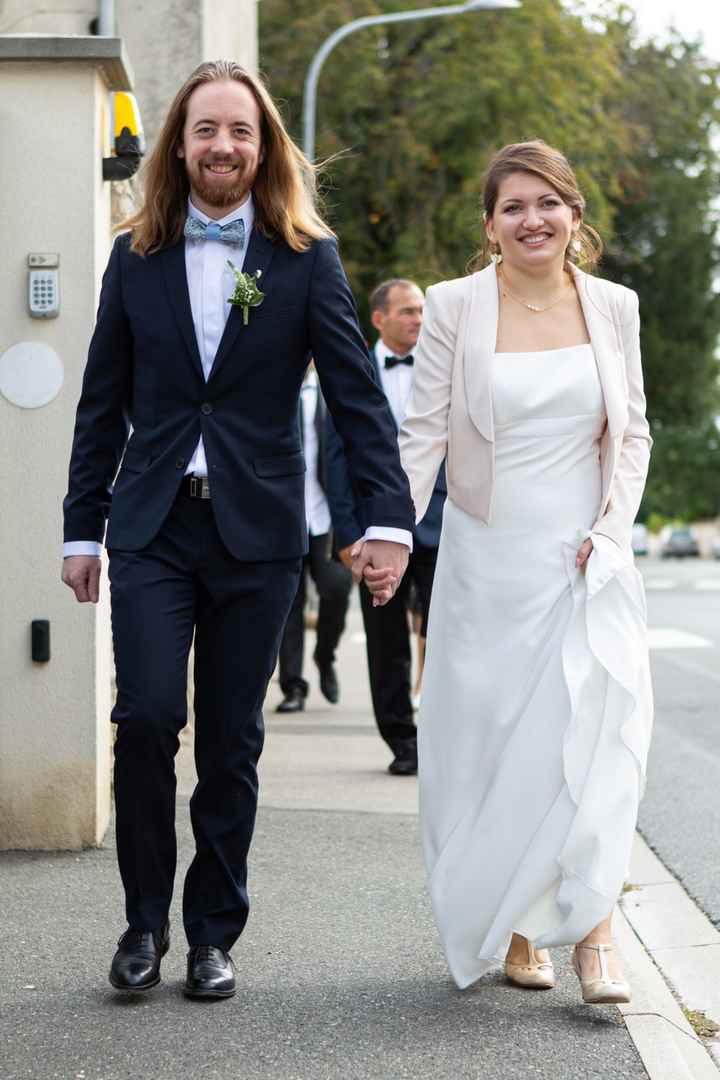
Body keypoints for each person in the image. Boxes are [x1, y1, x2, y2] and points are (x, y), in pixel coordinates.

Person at [61, 60, 413, 1001]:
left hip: (259, 534)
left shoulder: (307, 257)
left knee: (231, 740)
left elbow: (356, 397)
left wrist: (381, 517)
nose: (224, 146)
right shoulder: (135, 254)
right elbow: (102, 401)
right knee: (144, 720)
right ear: (181, 145)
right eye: (207, 129)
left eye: (242, 132)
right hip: (153, 528)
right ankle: (143, 922)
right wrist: (81, 529)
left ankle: (213, 932)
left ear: (265, 150)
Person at [399, 140, 653, 1003]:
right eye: (513, 206)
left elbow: (635, 435)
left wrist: (612, 532)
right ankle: (513, 928)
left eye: (548, 203)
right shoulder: (452, 307)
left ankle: (595, 936)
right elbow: (424, 433)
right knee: (499, 749)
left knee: (589, 743)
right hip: (485, 561)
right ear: (490, 225)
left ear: (576, 216)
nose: (532, 219)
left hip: (585, 558)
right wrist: (390, 531)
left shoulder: (615, 307)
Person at [325, 280, 446, 776]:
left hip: (441, 527)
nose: (418, 319)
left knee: (448, 636)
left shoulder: (442, 366)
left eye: (422, 311)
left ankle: (445, 736)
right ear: (379, 319)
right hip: (374, 531)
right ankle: (403, 741)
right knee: (386, 641)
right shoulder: (353, 371)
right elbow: (334, 458)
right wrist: (348, 534)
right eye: (408, 311)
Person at [275, 364, 352, 713]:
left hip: (324, 516)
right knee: (288, 604)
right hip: (282, 515)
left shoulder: (330, 393)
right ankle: (293, 686)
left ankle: (325, 655)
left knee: (336, 589)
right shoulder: (272, 387)